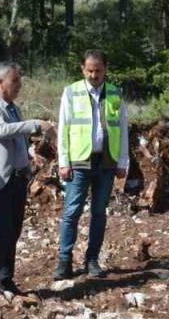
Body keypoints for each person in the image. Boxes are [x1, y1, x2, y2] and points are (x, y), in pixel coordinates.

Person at [0, 62, 55, 301]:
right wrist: (34, 125)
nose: (19, 86)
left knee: (15, 231)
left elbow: (17, 140)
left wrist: (27, 166)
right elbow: (2, 130)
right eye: (15, 82)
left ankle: (6, 280)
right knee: (5, 232)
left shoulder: (14, 109)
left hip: (17, 178)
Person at [55, 50, 130, 280]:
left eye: (98, 70)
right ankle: (65, 261)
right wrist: (63, 162)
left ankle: (92, 260)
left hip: (106, 162)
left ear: (105, 69)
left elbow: (123, 130)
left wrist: (123, 161)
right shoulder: (71, 92)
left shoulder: (116, 94)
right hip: (79, 162)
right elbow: (63, 129)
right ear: (82, 69)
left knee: (99, 213)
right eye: (89, 70)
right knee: (72, 212)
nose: (93, 74)